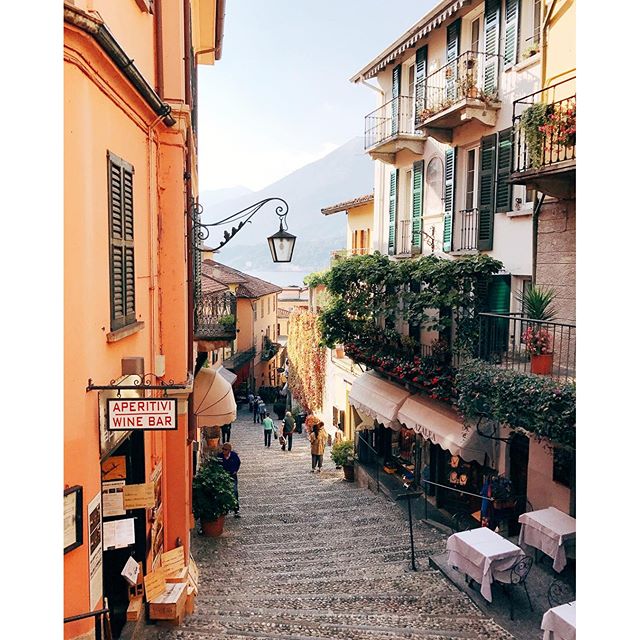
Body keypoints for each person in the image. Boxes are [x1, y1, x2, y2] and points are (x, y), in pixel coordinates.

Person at [218, 443, 241, 517]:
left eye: (225, 449)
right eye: (223, 449)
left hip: (232, 476)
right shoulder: (220, 456)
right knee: (224, 492)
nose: (223, 451)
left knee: (234, 491)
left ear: (229, 450)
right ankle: (225, 509)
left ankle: (236, 510)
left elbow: (238, 463)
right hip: (223, 476)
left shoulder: (234, 456)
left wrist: (235, 470)